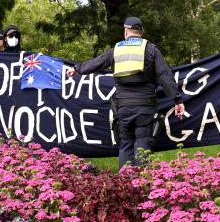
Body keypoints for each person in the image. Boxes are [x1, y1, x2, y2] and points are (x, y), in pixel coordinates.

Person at [66, 16, 185, 168]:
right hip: (145, 106)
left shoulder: (117, 49)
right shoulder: (150, 49)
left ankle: (124, 184)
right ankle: (141, 183)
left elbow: (98, 62)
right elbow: (165, 76)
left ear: (126, 31)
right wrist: (177, 100)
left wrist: (77, 68)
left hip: (123, 106)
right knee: (142, 143)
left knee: (126, 144)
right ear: (141, 32)